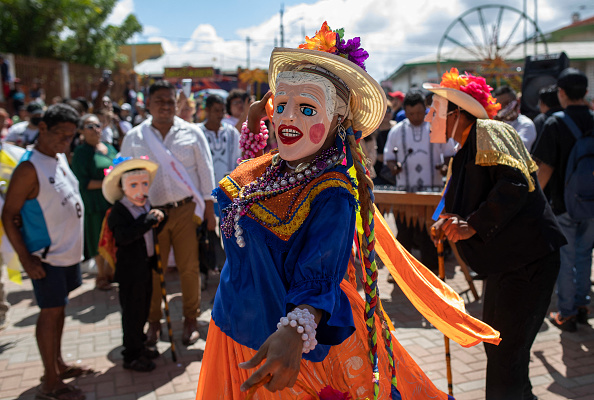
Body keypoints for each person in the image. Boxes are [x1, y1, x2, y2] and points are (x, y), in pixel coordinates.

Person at [196, 23, 500, 399]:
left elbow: (317, 272)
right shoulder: (273, 167)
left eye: (307, 107)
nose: (289, 117)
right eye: (283, 103)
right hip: (230, 327)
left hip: (278, 345)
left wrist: (294, 332)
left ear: (339, 120)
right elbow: (254, 194)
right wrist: (257, 125)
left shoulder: (332, 192)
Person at [426, 68, 566, 400]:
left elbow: (514, 184)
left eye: (436, 110)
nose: (431, 116)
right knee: (501, 349)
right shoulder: (462, 151)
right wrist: (444, 223)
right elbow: (457, 204)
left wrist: (471, 223)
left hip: (529, 261)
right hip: (507, 265)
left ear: (457, 113)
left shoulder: (488, 130)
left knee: (505, 354)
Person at [1, 103, 92, 400]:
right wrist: (26, 259)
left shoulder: (59, 156)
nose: (65, 141)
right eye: (60, 135)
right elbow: (9, 215)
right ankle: (49, 383)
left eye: (70, 136)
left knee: (59, 310)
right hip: (46, 257)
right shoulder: (29, 167)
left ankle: (58, 364)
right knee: (49, 313)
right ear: (41, 129)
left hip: (67, 253)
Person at [120, 80, 216, 346]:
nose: (165, 105)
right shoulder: (134, 138)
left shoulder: (192, 133)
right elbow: (123, 174)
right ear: (148, 104)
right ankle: (153, 323)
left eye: (169, 101)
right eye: (159, 100)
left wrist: (209, 211)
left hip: (185, 210)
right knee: (153, 269)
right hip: (149, 216)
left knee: (189, 268)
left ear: (177, 103)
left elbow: (206, 172)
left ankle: (189, 320)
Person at [532, 68, 594, 332]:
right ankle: (582, 306)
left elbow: (543, 168)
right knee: (585, 255)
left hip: (562, 203)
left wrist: (533, 200)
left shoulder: (554, 123)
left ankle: (566, 313)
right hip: (591, 202)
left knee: (566, 258)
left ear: (562, 93)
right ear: (586, 92)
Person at [102, 157, 164, 372]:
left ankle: (139, 344)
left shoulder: (146, 204)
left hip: (145, 266)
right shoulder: (118, 211)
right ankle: (131, 355)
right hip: (130, 270)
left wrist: (157, 219)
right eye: (134, 185)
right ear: (122, 186)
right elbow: (123, 236)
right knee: (132, 312)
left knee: (143, 308)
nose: (141, 190)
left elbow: (150, 231)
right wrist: (147, 221)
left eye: (144, 184)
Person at [382, 91, 454, 272]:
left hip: (432, 193)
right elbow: (389, 157)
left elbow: (449, 154)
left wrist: (445, 167)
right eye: (411, 114)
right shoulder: (396, 131)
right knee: (404, 236)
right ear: (405, 112)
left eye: (419, 113)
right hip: (405, 192)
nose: (415, 117)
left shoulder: (436, 126)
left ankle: (431, 273)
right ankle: (402, 274)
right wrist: (394, 167)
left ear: (426, 109)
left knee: (429, 236)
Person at [71, 114, 118, 291]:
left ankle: (112, 271)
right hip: (94, 203)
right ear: (82, 131)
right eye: (90, 126)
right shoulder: (81, 153)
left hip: (112, 201)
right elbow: (82, 182)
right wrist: (108, 182)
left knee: (113, 236)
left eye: (98, 126)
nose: (95, 130)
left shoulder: (109, 147)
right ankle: (101, 275)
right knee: (97, 237)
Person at [493, 85, 538, 152]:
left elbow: (516, 149)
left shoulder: (525, 124)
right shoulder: (493, 123)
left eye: (507, 103)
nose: (504, 108)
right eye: (499, 105)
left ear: (517, 102)